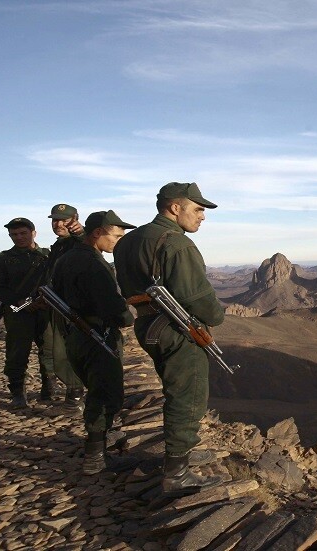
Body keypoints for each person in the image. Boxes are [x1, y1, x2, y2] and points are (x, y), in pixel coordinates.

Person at [114, 182, 224, 495]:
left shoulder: (127, 242)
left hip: (146, 326)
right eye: (198, 208)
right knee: (187, 396)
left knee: (174, 390)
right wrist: (217, 317)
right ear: (175, 207)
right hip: (177, 330)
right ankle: (177, 473)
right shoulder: (177, 244)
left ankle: (175, 458)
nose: (202, 216)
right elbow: (197, 298)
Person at [51, 210, 137, 474]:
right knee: (106, 394)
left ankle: (99, 442)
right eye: (116, 236)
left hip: (76, 335)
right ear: (98, 233)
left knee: (96, 389)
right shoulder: (94, 263)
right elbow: (112, 306)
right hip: (98, 335)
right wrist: (127, 318)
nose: (118, 242)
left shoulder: (65, 260)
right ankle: (95, 457)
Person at [0, 218, 53, 408]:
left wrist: (44, 300)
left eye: (23, 233)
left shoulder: (48, 256)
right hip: (18, 311)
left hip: (46, 309)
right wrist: (18, 300)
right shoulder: (4, 258)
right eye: (14, 234)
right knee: (17, 352)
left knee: (49, 350)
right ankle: (17, 392)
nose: (19, 237)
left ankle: (49, 389)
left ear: (34, 233)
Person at [45, 203, 87, 407]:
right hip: (57, 306)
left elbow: (86, 242)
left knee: (69, 352)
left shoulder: (79, 241)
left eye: (65, 220)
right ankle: (73, 392)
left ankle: (76, 395)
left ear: (75, 220)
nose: (59, 224)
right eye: (55, 220)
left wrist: (80, 232)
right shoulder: (60, 245)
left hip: (73, 307)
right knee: (59, 352)